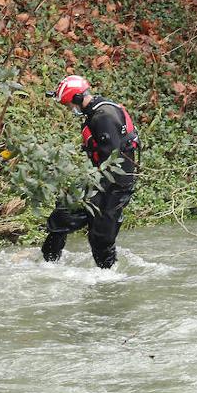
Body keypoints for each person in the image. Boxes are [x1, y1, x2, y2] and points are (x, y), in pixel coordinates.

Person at [41, 75, 140, 268]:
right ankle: (48, 264)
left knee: (101, 238)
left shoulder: (104, 117)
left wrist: (95, 193)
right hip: (96, 178)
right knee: (62, 214)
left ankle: (108, 277)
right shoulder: (97, 110)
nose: (71, 109)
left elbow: (112, 158)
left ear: (78, 99)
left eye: (70, 105)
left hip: (114, 184)